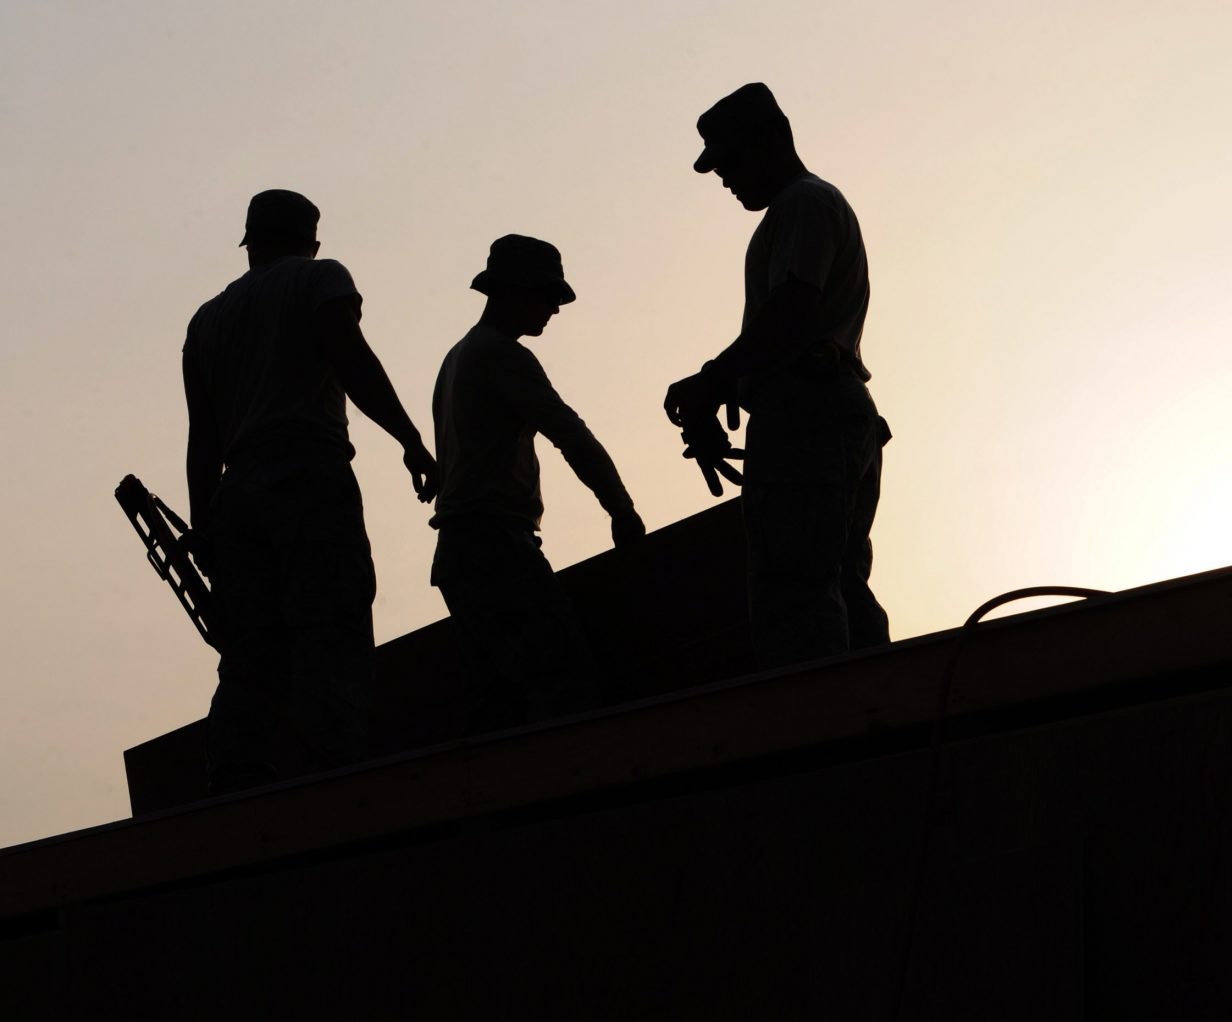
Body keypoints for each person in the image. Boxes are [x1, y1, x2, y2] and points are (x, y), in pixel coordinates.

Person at [182, 189, 438, 793]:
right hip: (307, 475)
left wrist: (203, 528)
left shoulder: (205, 321)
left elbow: (202, 440)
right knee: (331, 621)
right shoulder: (320, 278)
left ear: (250, 244)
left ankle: (236, 778)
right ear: (311, 240)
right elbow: (351, 360)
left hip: (235, 495)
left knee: (249, 650)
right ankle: (336, 774)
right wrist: (409, 439)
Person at [664, 83, 891, 668]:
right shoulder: (798, 212)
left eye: (730, 162)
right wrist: (729, 390)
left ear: (772, 140)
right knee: (837, 585)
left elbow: (792, 310)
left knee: (797, 595)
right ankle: (879, 723)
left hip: (810, 419)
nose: (724, 179)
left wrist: (713, 380)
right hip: (825, 414)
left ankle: (823, 734)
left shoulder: (803, 204)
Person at [430, 234, 645, 730]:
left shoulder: (456, 357)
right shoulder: (501, 355)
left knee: (500, 702)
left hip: (461, 553)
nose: (554, 308)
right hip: (494, 547)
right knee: (563, 682)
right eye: (546, 296)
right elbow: (569, 433)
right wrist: (621, 508)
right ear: (510, 291)